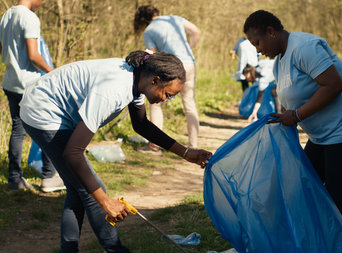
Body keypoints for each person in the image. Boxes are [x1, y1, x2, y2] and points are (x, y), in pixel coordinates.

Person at [19, 50, 213, 252]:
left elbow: (141, 125)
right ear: (155, 80)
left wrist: (186, 152)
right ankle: (116, 250)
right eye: (168, 94)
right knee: (92, 189)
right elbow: (72, 153)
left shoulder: (137, 80)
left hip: (53, 109)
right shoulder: (114, 90)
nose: (166, 100)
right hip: (42, 111)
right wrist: (105, 202)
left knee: (79, 188)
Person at [243, 10, 342, 232]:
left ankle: (341, 246)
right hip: (322, 137)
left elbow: (334, 85)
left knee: (336, 196)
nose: (257, 50)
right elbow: (290, 101)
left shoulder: (304, 47)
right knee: (304, 187)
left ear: (271, 32)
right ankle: (314, 240)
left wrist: (296, 116)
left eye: (257, 42)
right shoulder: (279, 62)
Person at [0, 0, 65, 192]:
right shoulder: (30, 18)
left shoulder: (6, 16)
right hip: (30, 84)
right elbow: (34, 56)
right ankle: (49, 177)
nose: (42, 2)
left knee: (18, 131)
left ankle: (14, 179)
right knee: (48, 125)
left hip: (11, 82)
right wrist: (53, 72)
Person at [134, 5, 201, 154]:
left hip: (171, 68)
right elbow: (196, 32)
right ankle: (194, 145)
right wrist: (188, 49)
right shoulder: (175, 19)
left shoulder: (149, 31)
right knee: (189, 103)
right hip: (189, 62)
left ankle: (154, 146)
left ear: (143, 19)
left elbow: (151, 57)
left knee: (156, 104)